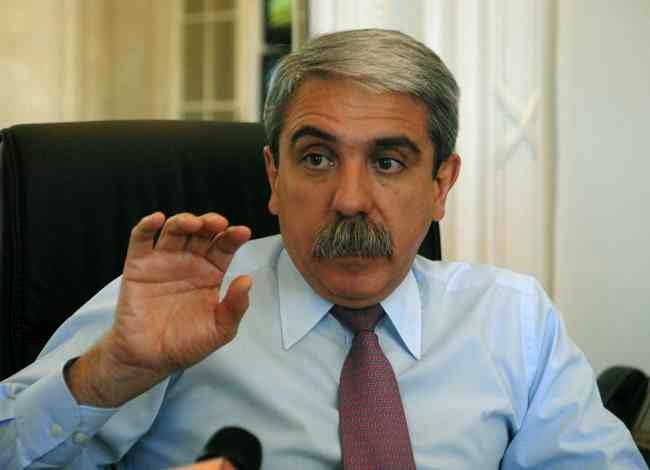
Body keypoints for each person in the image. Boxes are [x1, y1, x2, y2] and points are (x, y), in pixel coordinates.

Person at [0, 29, 646, 470]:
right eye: (316, 158)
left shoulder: (513, 318)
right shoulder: (182, 301)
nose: (350, 199)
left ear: (440, 185)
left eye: (388, 162)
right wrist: (110, 373)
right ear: (274, 176)